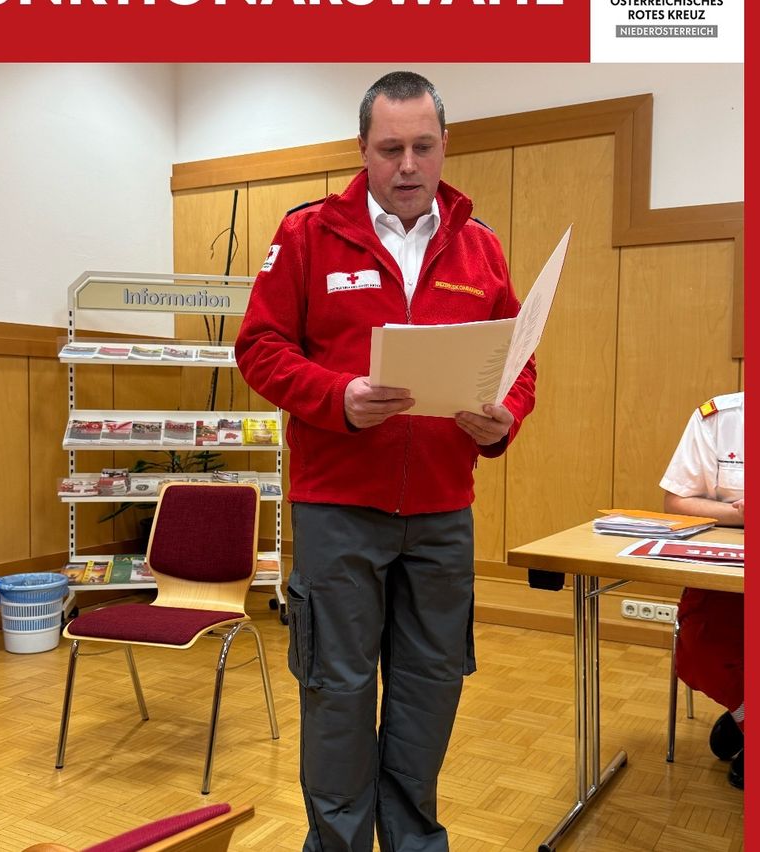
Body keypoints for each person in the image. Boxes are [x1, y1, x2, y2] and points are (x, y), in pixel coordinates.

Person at [235, 72, 536, 851]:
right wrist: (337, 396)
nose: (407, 164)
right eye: (390, 148)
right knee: (337, 693)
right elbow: (260, 348)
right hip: (338, 510)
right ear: (363, 151)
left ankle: (412, 842)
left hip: (441, 514)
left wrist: (504, 417)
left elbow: (516, 362)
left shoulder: (481, 246)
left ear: (444, 147)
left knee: (428, 692)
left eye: (423, 147)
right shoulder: (306, 234)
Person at [659, 391, 744, 790]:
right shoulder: (720, 417)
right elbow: (676, 501)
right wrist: (737, 513)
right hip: (730, 571)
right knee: (700, 645)